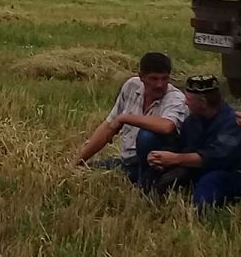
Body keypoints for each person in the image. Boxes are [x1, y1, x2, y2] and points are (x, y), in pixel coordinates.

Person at [73, 51, 189, 187]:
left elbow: (167, 126)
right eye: (154, 79)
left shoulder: (175, 98)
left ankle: (148, 183)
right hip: (128, 161)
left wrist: (125, 118)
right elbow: (108, 127)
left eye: (164, 79)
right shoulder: (131, 86)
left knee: (147, 135)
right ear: (141, 77)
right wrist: (79, 161)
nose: (160, 84)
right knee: (91, 169)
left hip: (158, 165)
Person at [144, 74, 241, 208]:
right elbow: (181, 146)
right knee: (150, 177)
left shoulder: (233, 123)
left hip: (229, 172)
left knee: (205, 197)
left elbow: (214, 158)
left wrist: (175, 159)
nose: (185, 102)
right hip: (198, 169)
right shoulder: (193, 120)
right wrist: (159, 156)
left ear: (202, 102)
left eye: (188, 99)